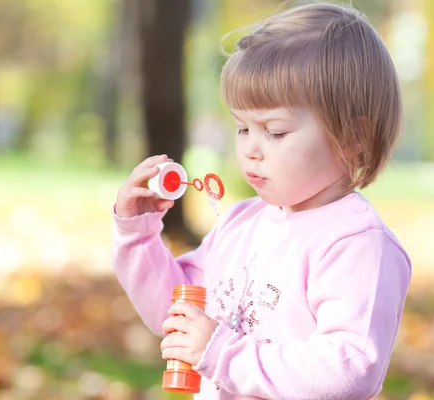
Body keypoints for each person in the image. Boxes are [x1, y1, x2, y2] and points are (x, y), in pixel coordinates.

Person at [111, 2, 412, 399]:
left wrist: (221, 353)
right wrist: (138, 236)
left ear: (352, 138)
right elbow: (177, 314)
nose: (251, 149)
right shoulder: (242, 223)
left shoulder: (355, 244)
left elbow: (349, 370)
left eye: (275, 131)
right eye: (242, 128)